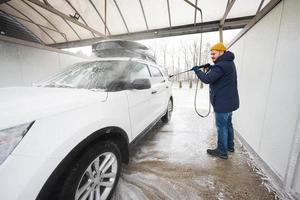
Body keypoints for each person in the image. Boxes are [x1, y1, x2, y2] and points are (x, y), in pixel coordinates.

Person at [191, 42, 239, 159]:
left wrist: (198, 71)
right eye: (211, 54)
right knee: (228, 124)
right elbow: (219, 73)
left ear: (221, 52)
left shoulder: (221, 65)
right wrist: (211, 68)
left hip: (222, 103)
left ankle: (222, 152)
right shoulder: (228, 63)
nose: (212, 56)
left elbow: (207, 79)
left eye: (214, 53)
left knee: (221, 127)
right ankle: (229, 147)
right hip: (230, 102)